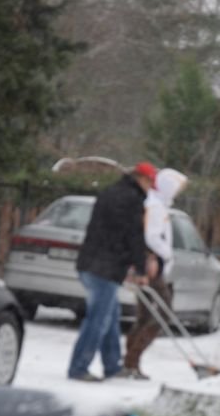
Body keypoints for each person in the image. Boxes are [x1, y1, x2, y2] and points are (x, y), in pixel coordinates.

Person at [67, 162, 156, 382]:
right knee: (98, 319)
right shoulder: (132, 200)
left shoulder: (110, 192)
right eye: (150, 184)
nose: (150, 189)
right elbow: (133, 235)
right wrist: (140, 269)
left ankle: (112, 365)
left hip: (91, 262)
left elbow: (110, 231)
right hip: (105, 267)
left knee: (111, 314)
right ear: (142, 180)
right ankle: (78, 367)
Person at [119, 168, 189, 380]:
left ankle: (130, 361)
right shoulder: (155, 206)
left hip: (148, 265)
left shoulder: (155, 203)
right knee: (162, 313)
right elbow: (151, 236)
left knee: (145, 316)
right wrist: (166, 254)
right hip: (152, 267)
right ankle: (132, 359)